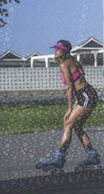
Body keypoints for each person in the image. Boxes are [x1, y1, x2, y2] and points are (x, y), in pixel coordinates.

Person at [36, 40, 100, 172]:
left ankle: (59, 158)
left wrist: (70, 108)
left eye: (58, 49)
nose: (55, 51)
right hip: (86, 94)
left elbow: (70, 88)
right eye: (55, 49)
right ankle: (92, 155)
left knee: (68, 124)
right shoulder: (73, 62)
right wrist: (76, 103)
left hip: (86, 95)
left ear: (64, 51)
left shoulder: (65, 64)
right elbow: (79, 85)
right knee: (76, 126)